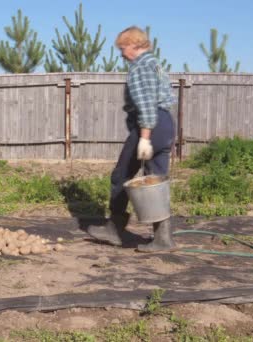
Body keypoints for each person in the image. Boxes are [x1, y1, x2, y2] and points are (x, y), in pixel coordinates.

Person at [87, 26, 176, 252]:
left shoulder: (140, 68)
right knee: (155, 180)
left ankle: (114, 229)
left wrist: (145, 138)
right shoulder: (155, 64)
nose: (121, 53)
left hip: (150, 125)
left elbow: (146, 105)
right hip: (165, 123)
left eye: (123, 47)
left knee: (121, 175)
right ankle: (163, 239)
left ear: (134, 44)